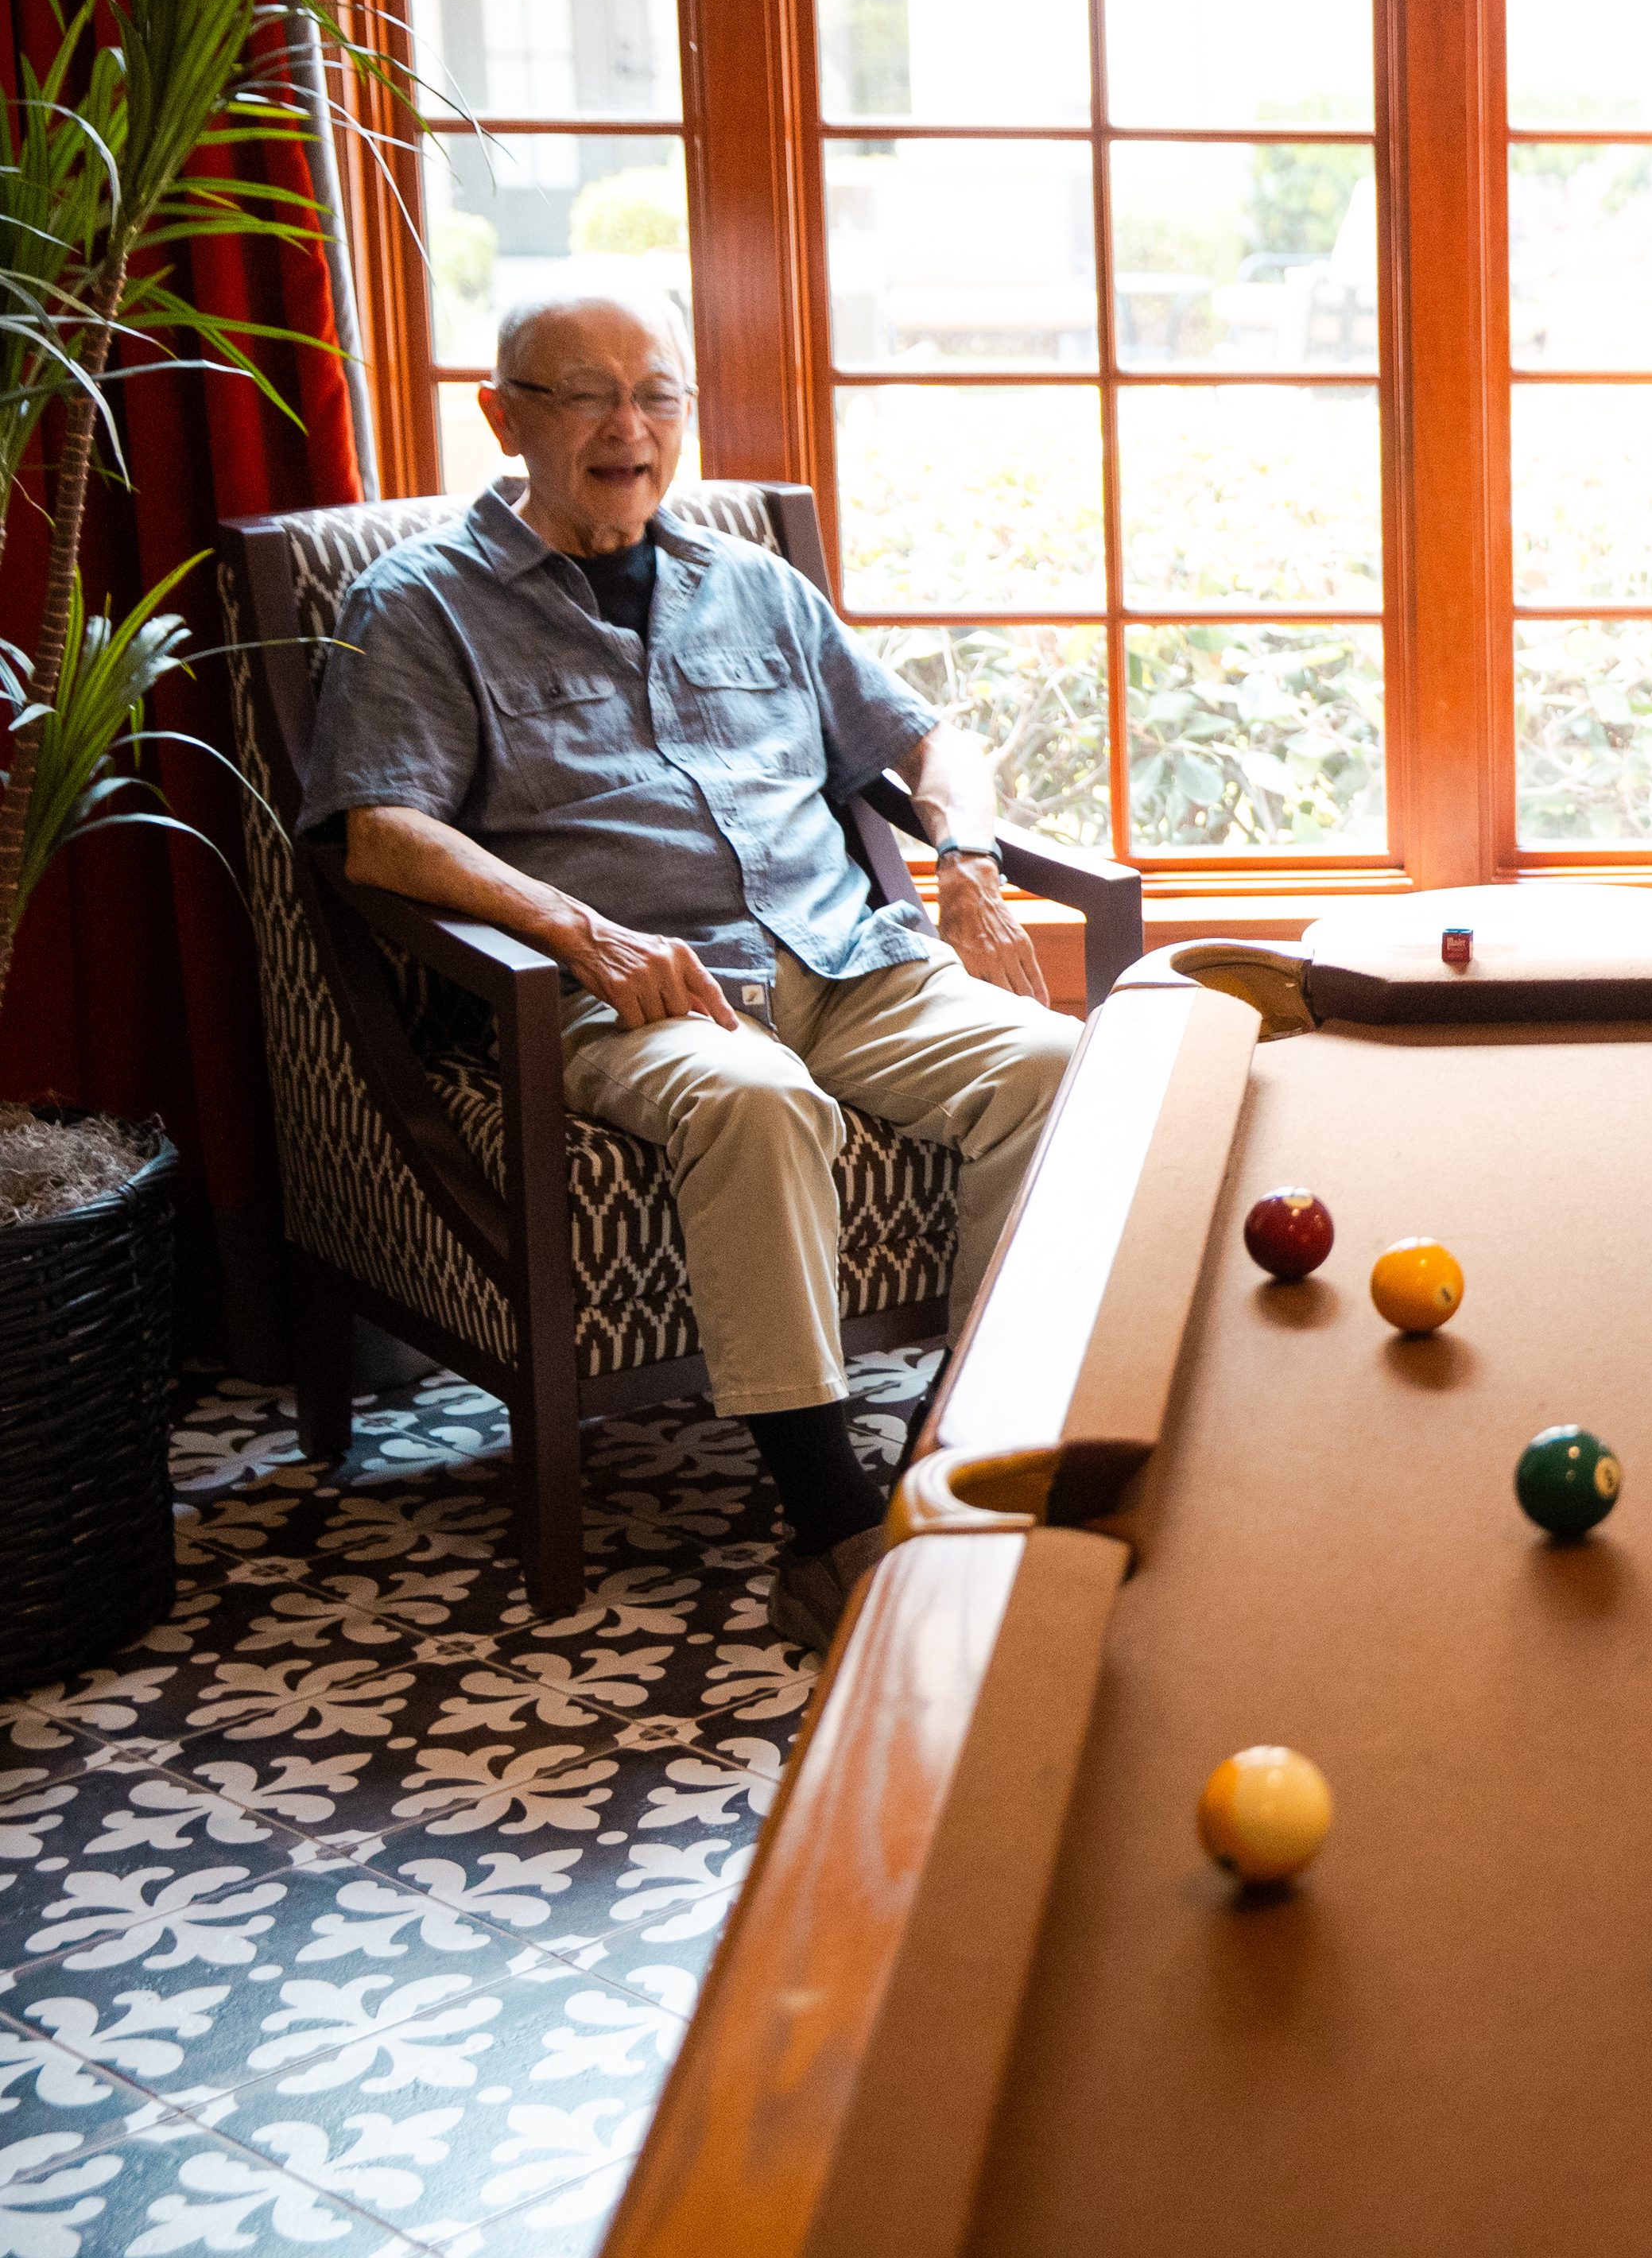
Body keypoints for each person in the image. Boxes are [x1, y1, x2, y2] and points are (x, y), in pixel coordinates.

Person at [302, 293, 1073, 1651]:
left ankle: (955, 1454)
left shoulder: (755, 583)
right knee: (756, 1101)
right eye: (587, 393)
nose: (629, 427)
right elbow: (379, 829)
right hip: (635, 992)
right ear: (504, 414)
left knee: (1067, 1073)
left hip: (847, 960)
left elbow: (929, 740)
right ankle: (833, 1520)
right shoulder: (420, 603)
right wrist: (581, 930)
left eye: (658, 395)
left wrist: (967, 861)